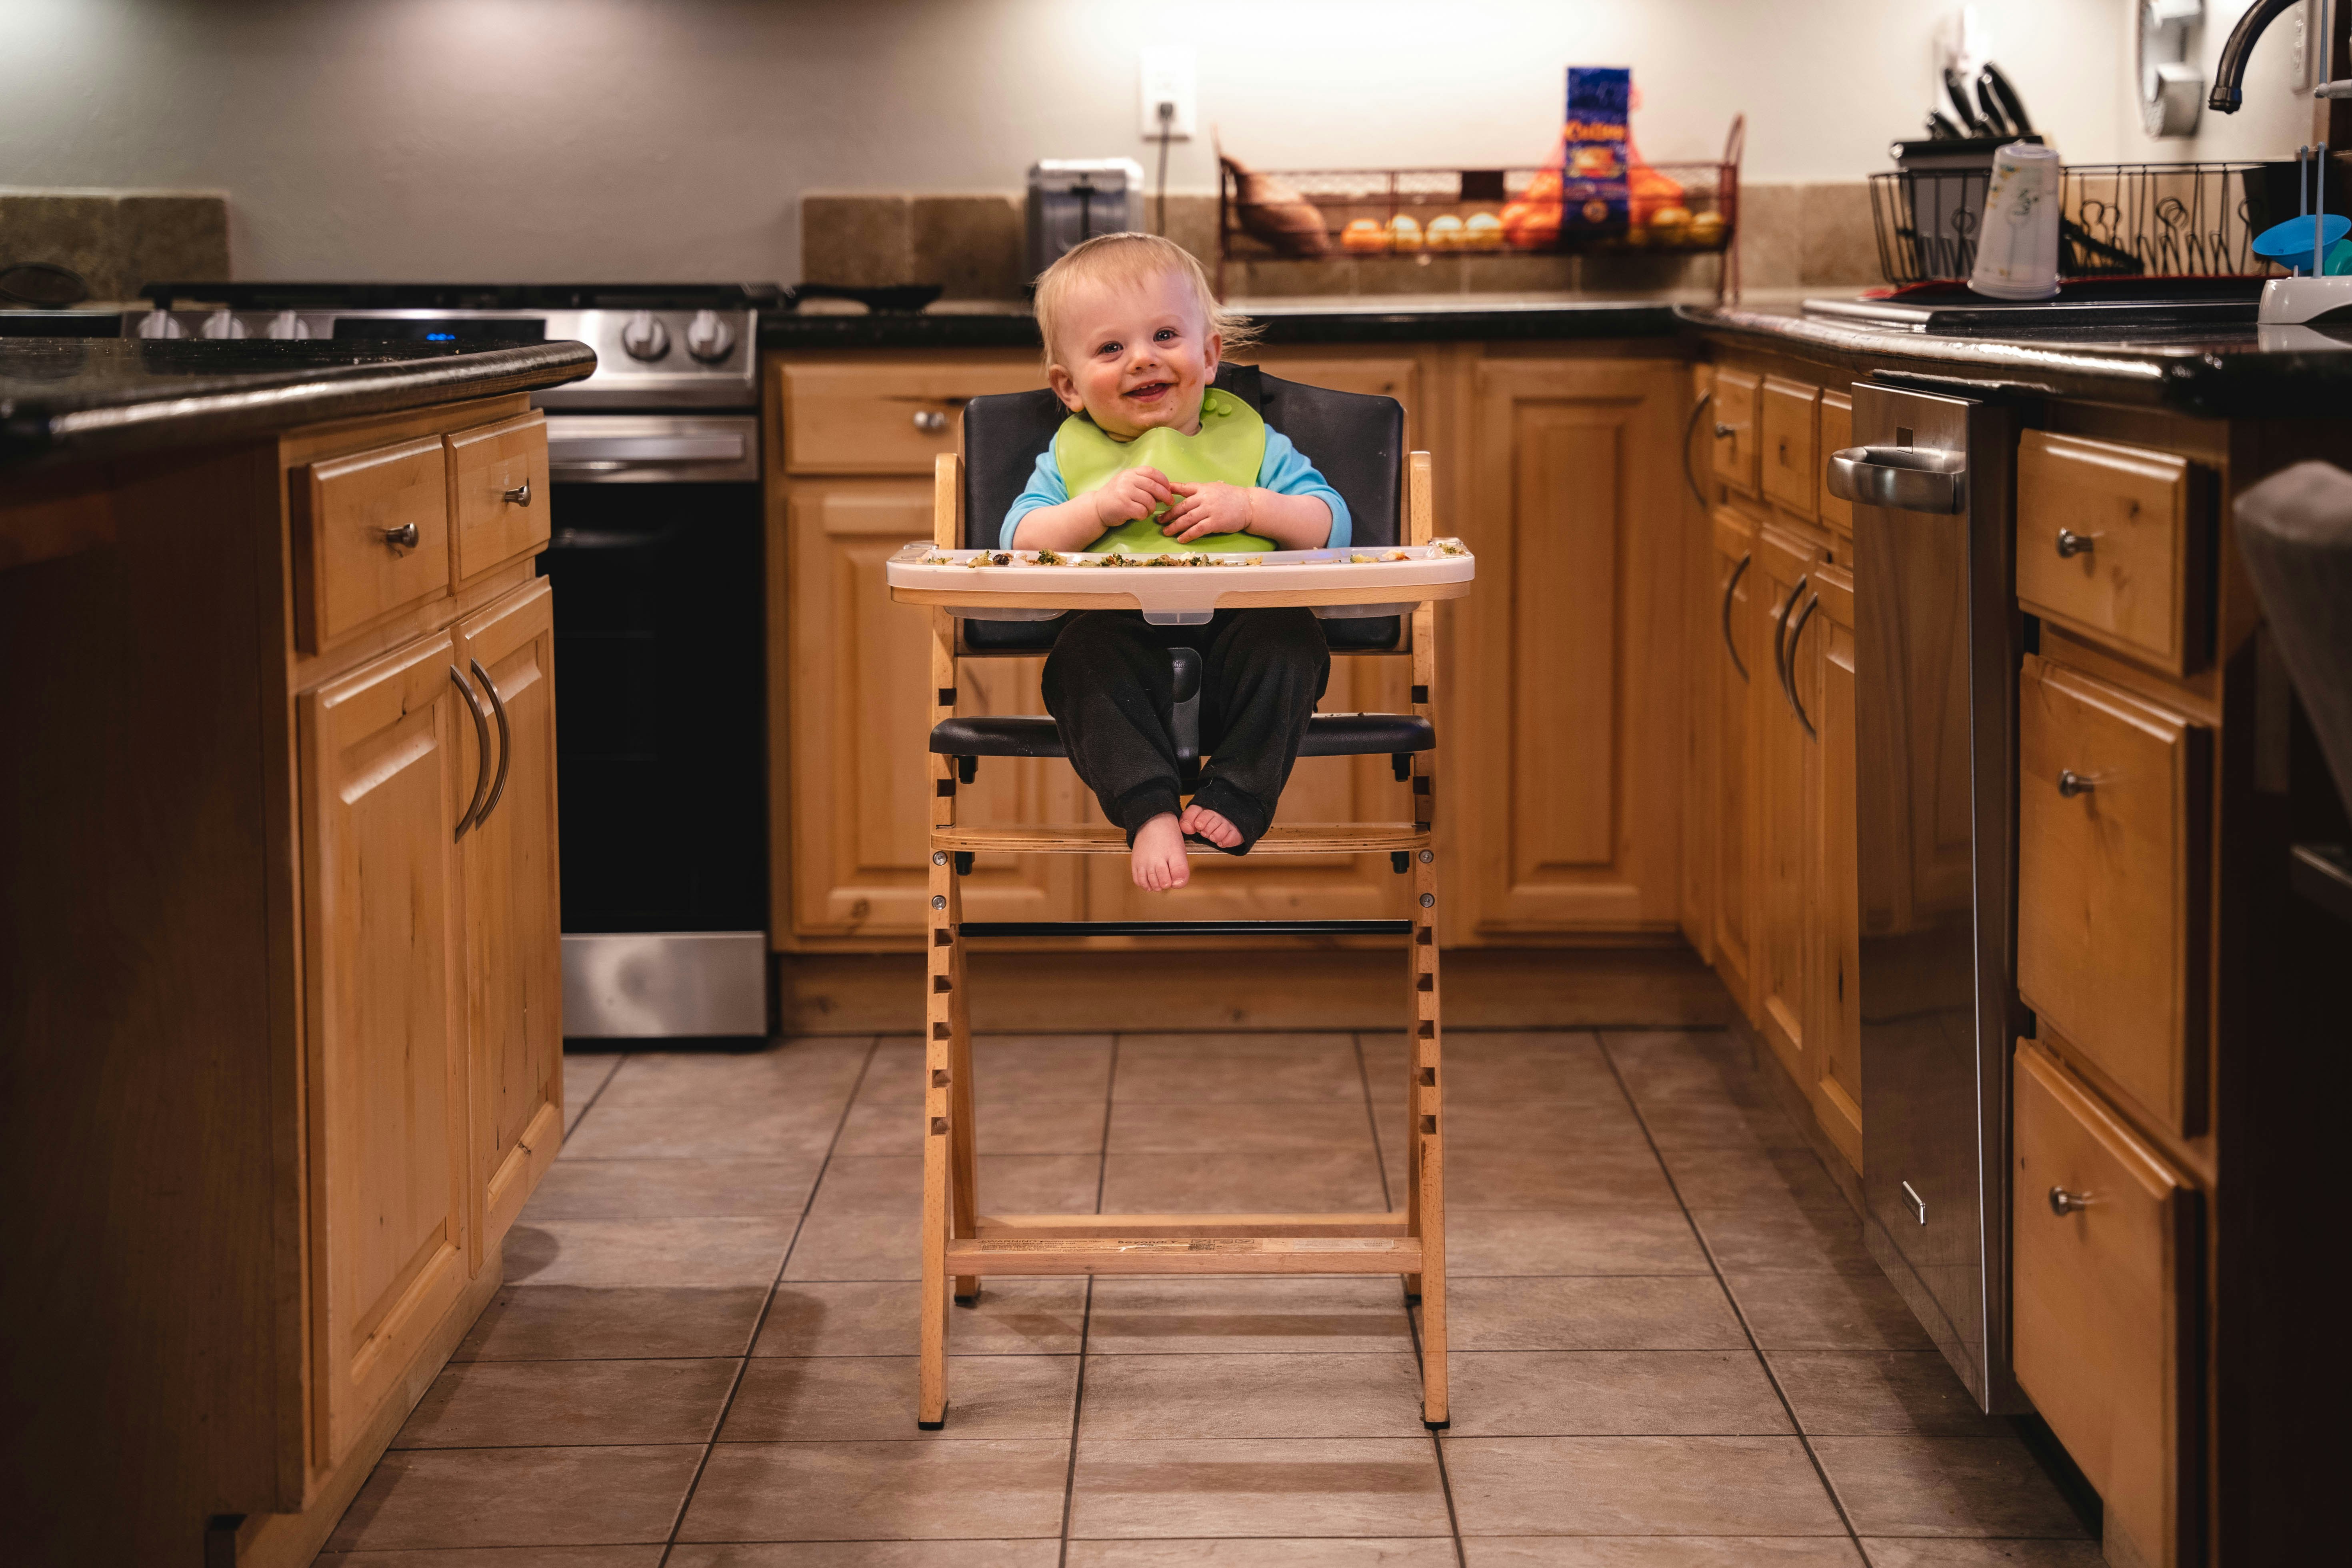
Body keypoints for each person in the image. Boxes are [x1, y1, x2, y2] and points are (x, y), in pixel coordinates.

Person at [1004, 232, 1349, 892]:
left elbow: (1328, 522)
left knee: (1295, 643)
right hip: (1122, 649)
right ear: (1068, 387)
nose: (1142, 360)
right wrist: (1096, 510)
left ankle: (1238, 795)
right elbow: (1021, 540)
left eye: (1165, 336)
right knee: (1077, 661)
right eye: (1111, 348)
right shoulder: (1073, 456)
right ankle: (1149, 808)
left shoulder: (1250, 440)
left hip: (1242, 639)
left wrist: (1251, 507)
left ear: (1210, 355)